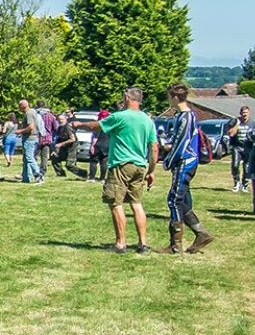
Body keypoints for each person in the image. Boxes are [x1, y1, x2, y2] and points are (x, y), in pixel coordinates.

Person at [90, 86, 158, 253]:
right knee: (136, 203)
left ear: (127, 97)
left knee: (115, 203)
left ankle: (121, 243)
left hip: (121, 165)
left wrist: (78, 124)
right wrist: (151, 171)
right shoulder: (147, 120)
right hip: (140, 166)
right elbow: (154, 148)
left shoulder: (120, 116)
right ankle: (143, 244)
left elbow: (96, 126)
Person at [161, 84, 213, 254]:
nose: (168, 101)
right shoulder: (182, 116)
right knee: (183, 201)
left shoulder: (186, 117)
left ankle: (176, 245)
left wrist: (168, 161)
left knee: (174, 200)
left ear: (175, 98)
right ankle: (201, 233)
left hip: (185, 162)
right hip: (184, 161)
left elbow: (181, 144)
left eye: (169, 97)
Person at [229, 106, 255, 192]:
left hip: (248, 147)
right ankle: (236, 182)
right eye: (243, 113)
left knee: (247, 167)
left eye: (246, 112)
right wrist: (237, 124)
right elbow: (231, 134)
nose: (245, 114)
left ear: (249, 113)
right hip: (237, 146)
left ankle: (245, 184)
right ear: (240, 113)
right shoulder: (235, 121)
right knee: (235, 165)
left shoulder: (253, 123)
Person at [18, 99, 43, 185]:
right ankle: (26, 178)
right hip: (32, 138)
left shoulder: (29, 113)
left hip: (30, 138)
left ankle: (38, 175)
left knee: (29, 158)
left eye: (19, 106)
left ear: (23, 106)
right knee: (26, 159)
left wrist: (20, 131)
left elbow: (31, 127)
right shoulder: (32, 112)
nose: (19, 108)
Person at [50, 110, 78, 178]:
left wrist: (61, 144)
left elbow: (73, 139)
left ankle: (84, 174)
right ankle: (60, 174)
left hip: (71, 148)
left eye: (62, 119)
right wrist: (55, 150)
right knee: (54, 157)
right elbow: (58, 140)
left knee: (69, 165)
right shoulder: (60, 128)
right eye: (59, 119)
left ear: (65, 119)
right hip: (64, 147)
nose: (60, 121)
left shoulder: (68, 127)